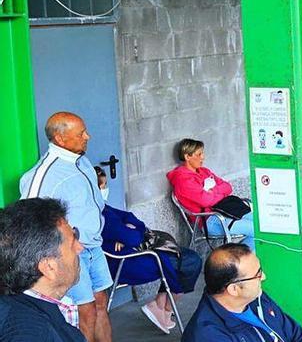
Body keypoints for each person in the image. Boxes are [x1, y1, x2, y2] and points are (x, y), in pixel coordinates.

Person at [19, 112, 112, 342]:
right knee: (85, 312)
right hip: (70, 252)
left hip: (94, 246)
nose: (87, 136)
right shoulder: (44, 174)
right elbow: (29, 219)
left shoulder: (82, 160)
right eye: (81, 133)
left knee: (101, 302)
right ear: (60, 139)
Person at [95, 167, 201, 334]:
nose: (105, 190)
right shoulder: (98, 215)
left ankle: (161, 306)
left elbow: (134, 220)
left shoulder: (105, 208)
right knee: (189, 261)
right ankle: (164, 307)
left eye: (105, 185)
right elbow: (134, 237)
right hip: (125, 263)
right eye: (102, 186)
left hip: (136, 254)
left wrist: (128, 230)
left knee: (189, 258)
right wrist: (126, 232)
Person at [182, 244, 302, 342]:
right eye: (258, 274)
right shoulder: (208, 336)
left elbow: (295, 334)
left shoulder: (256, 298)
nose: (264, 277)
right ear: (234, 289)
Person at [0, 198, 86, 341]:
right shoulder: (33, 334)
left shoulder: (15, 304)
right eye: (73, 241)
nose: (80, 248)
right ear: (49, 267)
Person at [167, 138, 255, 250]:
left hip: (227, 211)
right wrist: (218, 193)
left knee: (262, 225)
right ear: (187, 157)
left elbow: (228, 187)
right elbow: (205, 201)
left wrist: (213, 191)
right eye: (199, 154)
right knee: (255, 229)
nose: (203, 157)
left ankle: (242, 256)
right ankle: (241, 261)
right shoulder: (183, 180)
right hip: (210, 220)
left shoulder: (204, 171)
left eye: (202, 153)